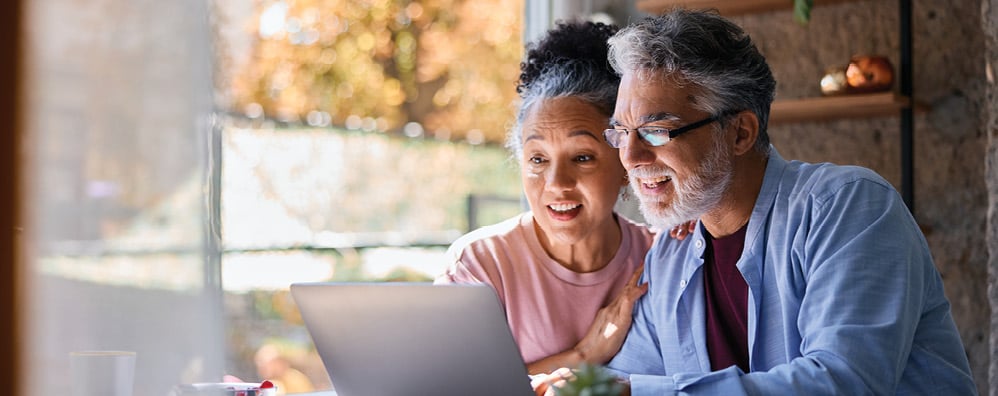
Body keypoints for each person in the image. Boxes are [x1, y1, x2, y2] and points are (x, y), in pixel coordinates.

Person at [571, 9, 976, 395]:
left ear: (740, 133)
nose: (630, 156)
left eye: (656, 131)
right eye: (621, 133)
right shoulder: (669, 257)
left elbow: (843, 384)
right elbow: (623, 379)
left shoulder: (850, 207)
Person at [434, 20, 658, 375]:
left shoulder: (660, 259)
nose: (557, 183)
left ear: (625, 162)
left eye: (582, 157)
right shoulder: (479, 264)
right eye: (538, 159)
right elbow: (450, 388)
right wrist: (583, 357)